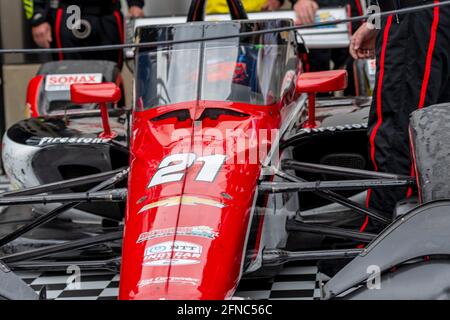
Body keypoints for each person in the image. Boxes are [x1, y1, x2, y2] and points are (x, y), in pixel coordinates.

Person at [350, 0, 450, 230]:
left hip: (415, 15)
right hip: (419, 14)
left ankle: (384, 239)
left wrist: (377, 19)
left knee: (399, 133)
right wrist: (376, 20)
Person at [24, 0, 145, 68]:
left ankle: (110, 113)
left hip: (108, 14)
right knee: (68, 75)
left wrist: (135, 4)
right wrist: (38, 17)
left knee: (110, 76)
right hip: (70, 12)